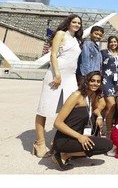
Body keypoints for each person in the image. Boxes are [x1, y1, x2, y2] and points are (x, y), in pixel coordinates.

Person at [33, 14, 83, 158]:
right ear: (68, 23)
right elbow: (53, 55)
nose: (77, 24)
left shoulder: (77, 39)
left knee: (72, 109)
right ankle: (40, 143)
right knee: (44, 108)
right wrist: (57, 74)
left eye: (79, 23)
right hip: (56, 74)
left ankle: (61, 141)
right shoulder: (61, 34)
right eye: (74, 22)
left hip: (71, 77)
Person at [52, 71, 113, 170]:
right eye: (92, 81)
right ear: (86, 81)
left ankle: (69, 154)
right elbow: (57, 123)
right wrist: (79, 137)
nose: (95, 83)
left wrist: (99, 117)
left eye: (98, 81)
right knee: (107, 145)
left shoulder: (92, 95)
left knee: (93, 118)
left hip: (78, 135)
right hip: (65, 139)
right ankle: (63, 154)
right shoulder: (76, 95)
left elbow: (93, 110)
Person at [101, 36, 118, 137]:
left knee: (107, 107)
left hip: (115, 83)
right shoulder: (104, 52)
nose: (113, 43)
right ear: (108, 43)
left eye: (115, 42)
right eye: (111, 42)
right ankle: (109, 131)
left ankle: (103, 128)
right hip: (105, 81)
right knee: (111, 106)